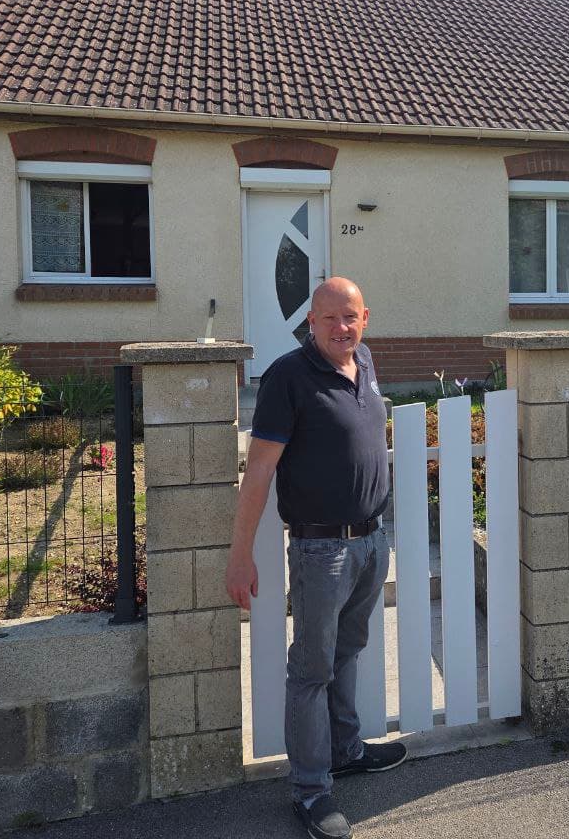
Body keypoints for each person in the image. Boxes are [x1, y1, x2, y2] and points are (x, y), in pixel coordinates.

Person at [226, 277, 406, 839]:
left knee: (350, 649)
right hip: (321, 548)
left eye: (350, 317)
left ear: (365, 317)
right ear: (309, 322)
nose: (341, 328)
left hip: (373, 541)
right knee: (311, 669)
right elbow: (258, 471)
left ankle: (345, 749)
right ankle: (310, 788)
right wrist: (240, 556)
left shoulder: (366, 361)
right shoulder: (288, 377)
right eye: (329, 318)